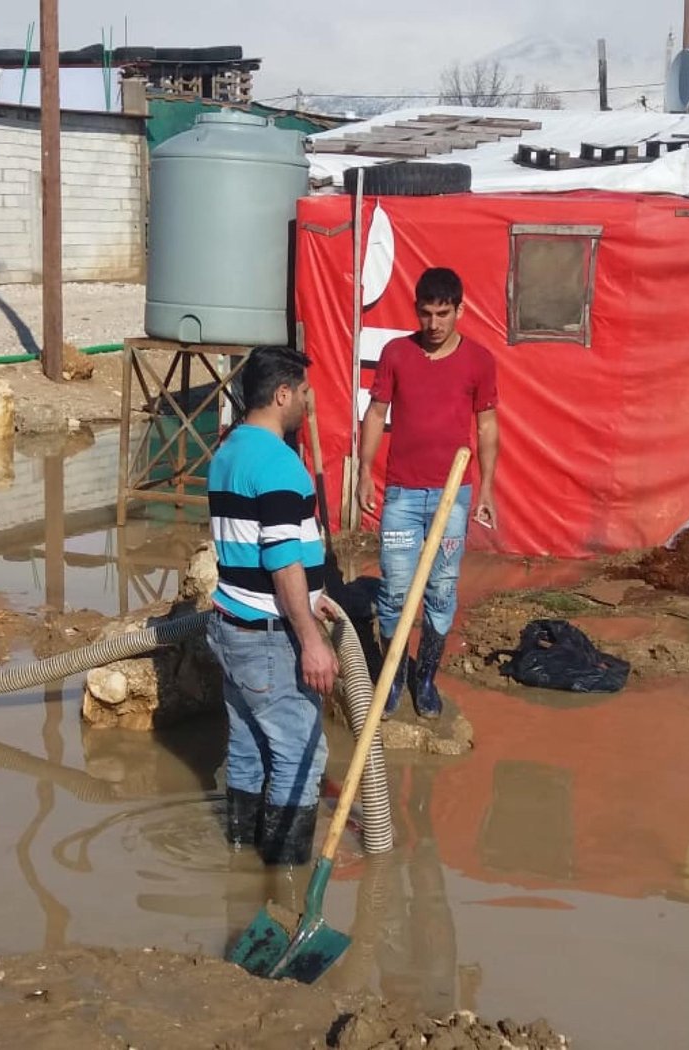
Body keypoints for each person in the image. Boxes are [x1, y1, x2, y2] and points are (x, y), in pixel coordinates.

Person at [206, 345, 339, 866]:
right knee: (302, 755)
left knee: (247, 747)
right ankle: (284, 881)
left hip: (230, 623)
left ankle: (241, 856)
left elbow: (251, 546)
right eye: (304, 391)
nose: (309, 400)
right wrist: (311, 641)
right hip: (267, 635)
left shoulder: (229, 449)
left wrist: (314, 595)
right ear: (282, 394)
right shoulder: (281, 464)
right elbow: (282, 562)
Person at [357, 267, 499, 719]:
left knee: (441, 589)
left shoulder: (479, 361)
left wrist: (487, 491)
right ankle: (395, 678)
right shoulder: (396, 353)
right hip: (400, 494)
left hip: (451, 498)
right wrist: (364, 472)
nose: (434, 324)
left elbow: (488, 425)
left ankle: (426, 679)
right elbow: (377, 414)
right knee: (395, 591)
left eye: (443, 314)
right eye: (425, 314)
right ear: (415, 310)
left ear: (461, 309)